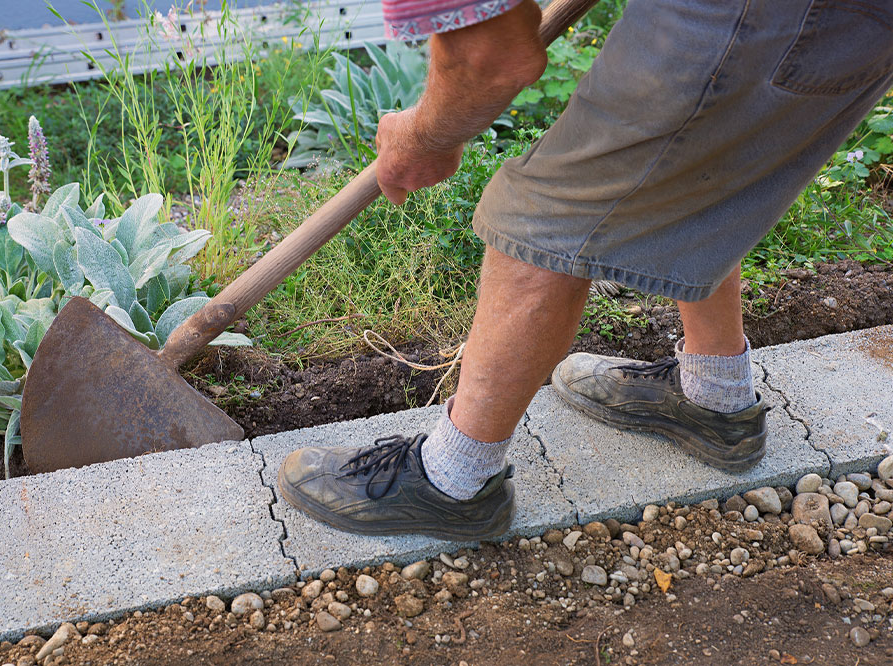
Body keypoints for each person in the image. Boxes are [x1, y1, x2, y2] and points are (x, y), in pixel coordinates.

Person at [277, 0, 893, 539]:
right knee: (702, 164)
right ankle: (716, 399)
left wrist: (424, 135)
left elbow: (490, 57)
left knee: (539, 218)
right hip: (856, 23)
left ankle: (452, 483)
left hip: (761, 17)